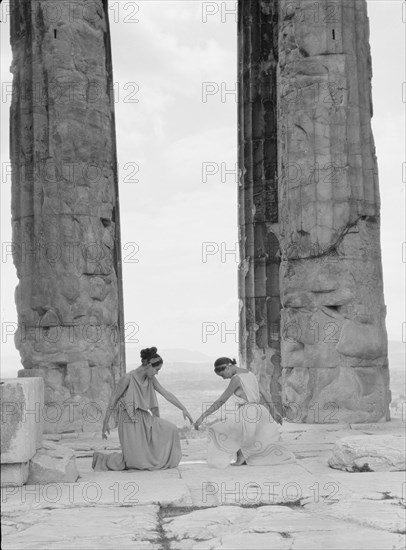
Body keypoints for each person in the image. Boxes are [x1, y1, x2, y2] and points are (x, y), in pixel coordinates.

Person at [92, 347, 194, 471]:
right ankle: (101, 459)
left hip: (144, 416)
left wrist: (183, 408)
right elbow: (113, 399)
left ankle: (160, 459)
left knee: (171, 428)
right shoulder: (128, 378)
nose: (157, 373)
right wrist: (105, 423)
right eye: (156, 369)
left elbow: (166, 393)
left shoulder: (150, 378)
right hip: (128, 419)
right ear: (149, 365)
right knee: (135, 463)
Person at [194, 357, 295, 468]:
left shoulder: (236, 378)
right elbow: (265, 393)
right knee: (251, 435)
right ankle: (243, 456)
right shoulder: (250, 374)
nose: (223, 378)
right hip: (260, 411)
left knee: (218, 429)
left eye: (222, 375)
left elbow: (221, 400)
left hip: (248, 412)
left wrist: (203, 416)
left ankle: (241, 456)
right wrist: (273, 410)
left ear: (228, 367)